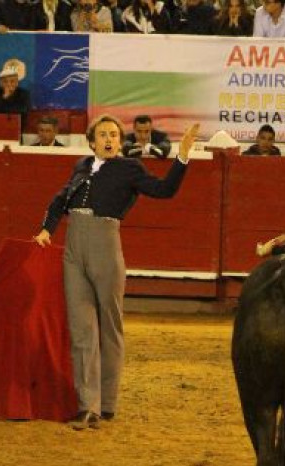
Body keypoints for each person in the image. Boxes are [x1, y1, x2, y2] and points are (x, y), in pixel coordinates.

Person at [33, 115, 199, 430]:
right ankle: (88, 406)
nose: (110, 139)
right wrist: (45, 231)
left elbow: (164, 191)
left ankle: (107, 402)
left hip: (106, 247)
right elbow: (58, 202)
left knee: (109, 326)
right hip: (73, 248)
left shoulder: (129, 169)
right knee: (82, 330)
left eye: (114, 134)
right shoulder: (81, 166)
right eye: (103, 134)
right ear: (91, 140)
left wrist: (183, 155)